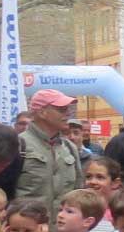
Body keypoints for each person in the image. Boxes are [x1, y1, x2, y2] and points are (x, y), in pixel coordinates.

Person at [14, 89, 84, 219]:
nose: (68, 114)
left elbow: (78, 190)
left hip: (62, 227)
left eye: (67, 109)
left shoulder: (69, 147)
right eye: (61, 109)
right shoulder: (18, 145)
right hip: (28, 227)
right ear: (42, 112)